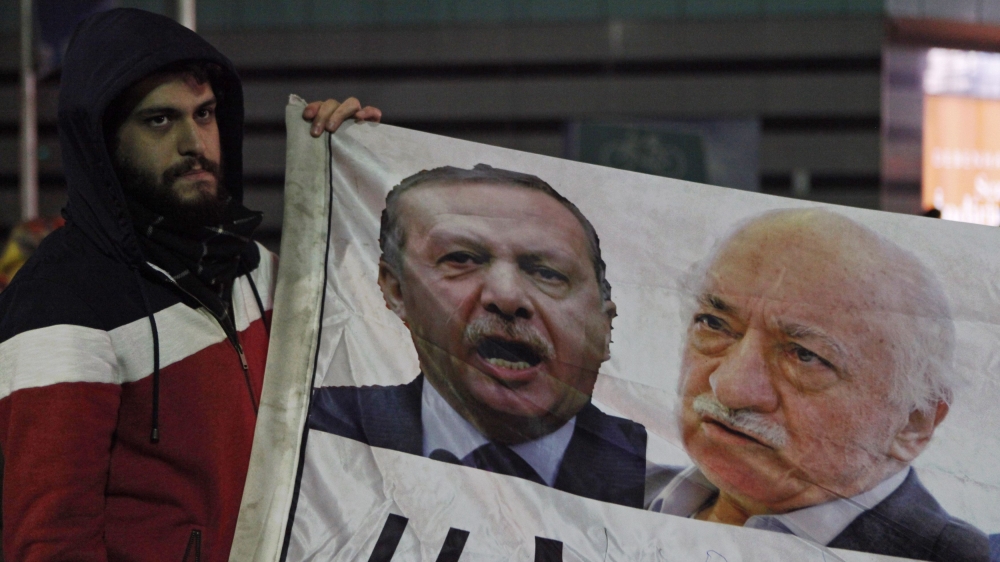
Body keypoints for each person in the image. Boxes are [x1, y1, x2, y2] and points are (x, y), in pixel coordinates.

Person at [0, 8, 379, 561]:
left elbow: (384, 353)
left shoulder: (252, 265)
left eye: (204, 114)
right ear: (103, 141)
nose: (194, 143)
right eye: (160, 121)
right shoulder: (57, 306)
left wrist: (357, 175)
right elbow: (51, 544)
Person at [647, 208, 989, 561]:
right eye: (714, 324)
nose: (729, 388)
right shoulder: (610, 486)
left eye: (804, 355)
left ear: (912, 422)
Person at [308, 164, 648, 508]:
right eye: (462, 259)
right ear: (396, 289)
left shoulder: (679, 483)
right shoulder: (312, 426)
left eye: (548, 273)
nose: (507, 296)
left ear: (605, 329)